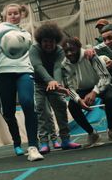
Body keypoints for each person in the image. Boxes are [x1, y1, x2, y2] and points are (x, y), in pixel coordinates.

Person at [0, 3, 44, 161]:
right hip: (4, 73)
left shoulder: (25, 34)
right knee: (8, 112)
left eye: (16, 13)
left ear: (21, 15)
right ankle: (16, 143)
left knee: (27, 103)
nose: (13, 16)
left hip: (24, 71)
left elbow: (20, 48)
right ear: (5, 16)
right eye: (10, 14)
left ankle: (33, 146)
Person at [61, 37, 112, 144]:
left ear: (78, 48)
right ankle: (92, 133)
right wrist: (78, 100)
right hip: (83, 88)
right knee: (72, 106)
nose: (69, 53)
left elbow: (105, 77)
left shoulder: (90, 55)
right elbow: (69, 87)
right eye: (66, 51)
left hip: (100, 85)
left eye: (72, 50)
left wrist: (94, 92)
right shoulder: (64, 64)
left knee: (110, 97)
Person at [29, 22, 81, 154]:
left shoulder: (59, 51)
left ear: (56, 41)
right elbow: (38, 66)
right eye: (45, 41)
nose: (48, 44)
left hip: (55, 85)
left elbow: (58, 67)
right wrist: (50, 80)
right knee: (41, 112)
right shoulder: (34, 49)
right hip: (39, 84)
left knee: (61, 109)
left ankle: (65, 140)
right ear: (40, 41)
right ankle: (44, 142)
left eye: (51, 41)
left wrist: (56, 83)